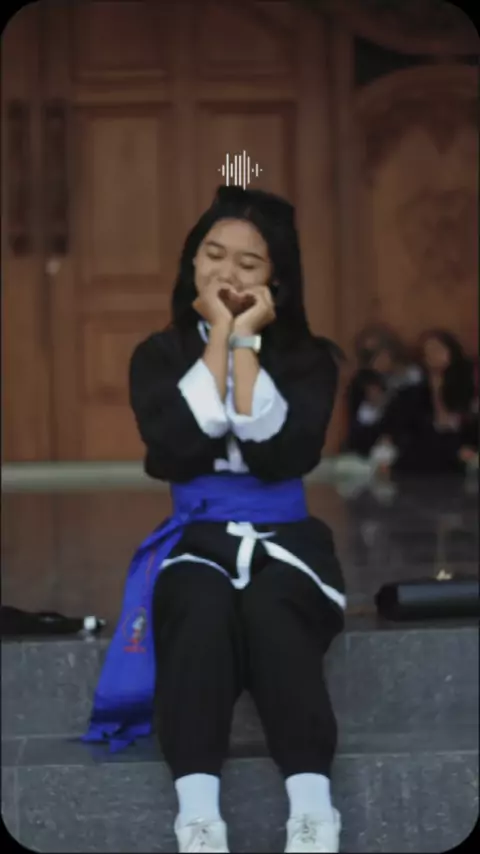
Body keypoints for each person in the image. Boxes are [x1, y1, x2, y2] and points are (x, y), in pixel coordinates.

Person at [82, 186, 346, 853]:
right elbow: (174, 447)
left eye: (248, 263)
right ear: (192, 263)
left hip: (288, 542)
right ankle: (198, 818)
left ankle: (314, 813)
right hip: (195, 537)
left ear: (275, 278)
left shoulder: (310, 359)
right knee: (198, 608)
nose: (227, 272)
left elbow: (281, 453)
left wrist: (246, 345)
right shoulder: (156, 355)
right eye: (213, 254)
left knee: (271, 610)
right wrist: (220, 338)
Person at [380, 329, 478, 476]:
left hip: (461, 468)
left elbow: (470, 430)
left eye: (438, 349)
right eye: (429, 350)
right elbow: (407, 437)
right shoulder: (409, 395)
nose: (434, 354)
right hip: (422, 466)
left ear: (451, 352)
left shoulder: (466, 391)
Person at [344, 325, 422, 459]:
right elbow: (356, 437)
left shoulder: (417, 377)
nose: (375, 361)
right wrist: (373, 407)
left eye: (379, 352)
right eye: (368, 356)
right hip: (372, 455)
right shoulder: (363, 384)